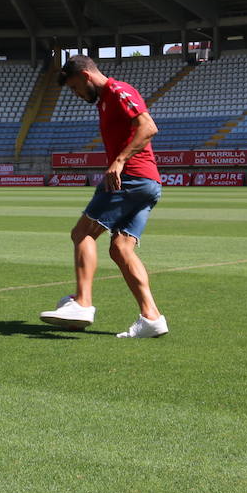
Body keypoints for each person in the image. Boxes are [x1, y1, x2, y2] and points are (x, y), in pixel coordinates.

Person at [39, 54, 168, 338]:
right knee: (120, 248)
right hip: (145, 182)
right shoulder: (105, 101)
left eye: (74, 87)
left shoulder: (118, 91)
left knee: (82, 233)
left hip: (131, 178)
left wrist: (119, 161)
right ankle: (152, 318)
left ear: (86, 76)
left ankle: (83, 303)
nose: (75, 94)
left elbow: (148, 127)